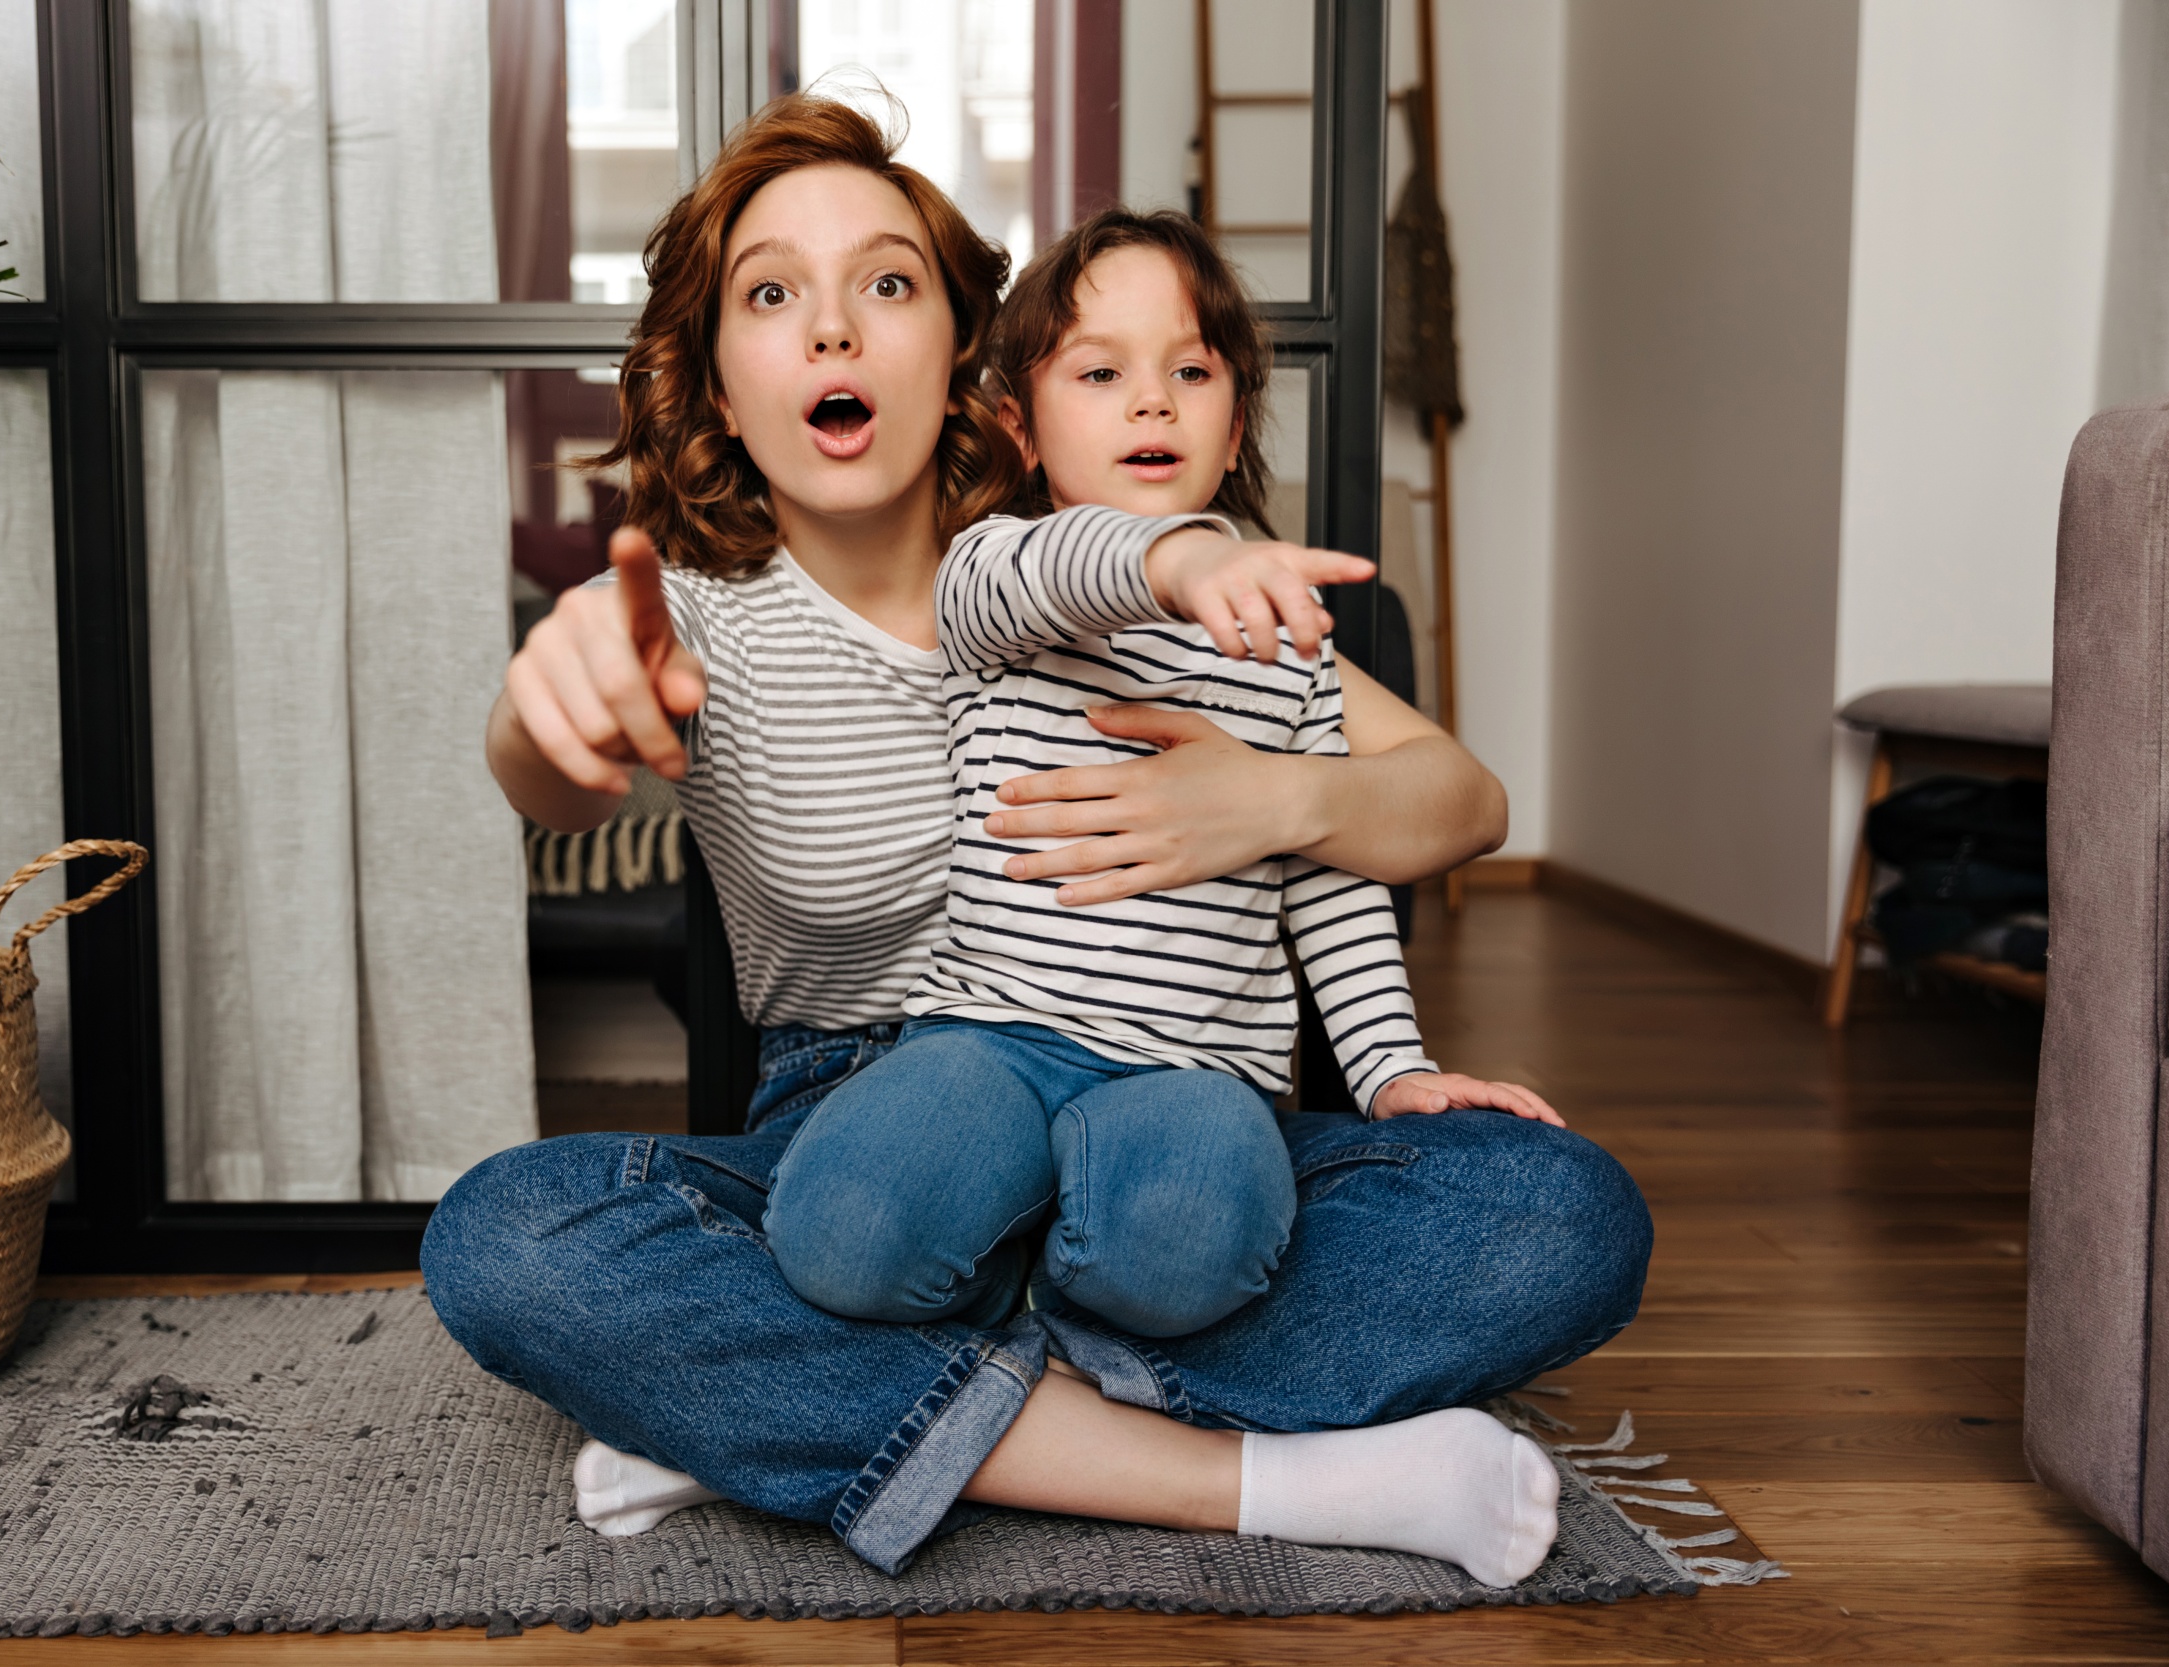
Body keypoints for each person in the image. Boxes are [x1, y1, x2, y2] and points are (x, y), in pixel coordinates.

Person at [423, 94, 1650, 1589]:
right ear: (721, 384)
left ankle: (800, 1410)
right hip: (859, 1150)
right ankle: (1251, 1473)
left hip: (1172, 1121)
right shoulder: (694, 618)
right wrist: (545, 707)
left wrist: (1274, 799)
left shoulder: (1142, 583)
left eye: (886, 282)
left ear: (966, 363)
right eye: (771, 294)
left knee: (1562, 1215)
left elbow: (1461, 797)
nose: (832, 327)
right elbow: (551, 771)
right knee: (505, 1238)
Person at [757, 209, 1567, 1385]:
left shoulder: (1291, 655)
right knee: (841, 1233)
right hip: (987, 1040)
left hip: (1196, 1068)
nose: (1151, 401)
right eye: (1099, 374)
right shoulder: (992, 574)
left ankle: (1025, 1320)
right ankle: (1041, 1318)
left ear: (1233, 426)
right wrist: (1180, 558)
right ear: (1019, 428)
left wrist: (1391, 1065)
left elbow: (1332, 873)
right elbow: (1070, 565)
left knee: (1187, 1255)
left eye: (1190, 372)